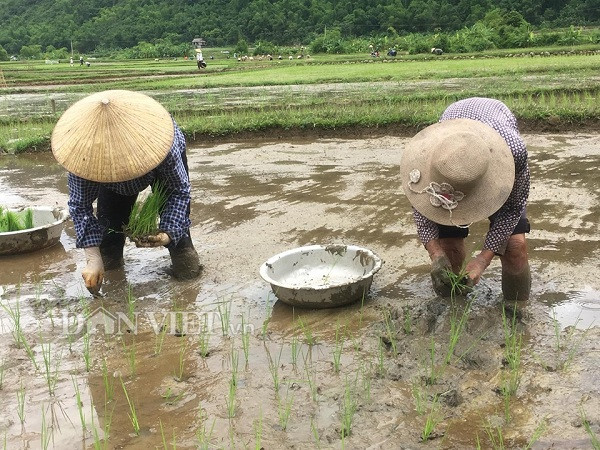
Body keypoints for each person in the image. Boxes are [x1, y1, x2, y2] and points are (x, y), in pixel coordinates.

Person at [51, 90, 202, 295]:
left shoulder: (165, 142)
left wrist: (167, 235)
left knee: (181, 244)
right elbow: (80, 206)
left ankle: (186, 271)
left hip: (157, 161)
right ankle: (112, 282)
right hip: (106, 179)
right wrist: (92, 258)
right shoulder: (83, 156)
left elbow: (179, 191)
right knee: (109, 238)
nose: (122, 172)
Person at [400, 97, 530, 301]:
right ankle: (453, 306)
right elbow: (421, 203)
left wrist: (482, 260)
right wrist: (436, 254)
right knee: (448, 248)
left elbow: (512, 209)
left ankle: (517, 312)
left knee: (514, 247)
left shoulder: (513, 153)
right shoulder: (425, 157)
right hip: (450, 142)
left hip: (494, 157)